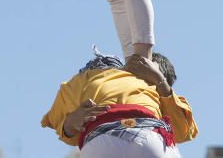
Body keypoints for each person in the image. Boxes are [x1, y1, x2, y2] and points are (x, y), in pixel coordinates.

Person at [41, 48, 198, 157]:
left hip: (101, 144)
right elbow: (183, 132)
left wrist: (68, 125)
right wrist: (70, 123)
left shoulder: (86, 81)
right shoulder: (158, 96)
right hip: (146, 142)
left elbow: (182, 132)